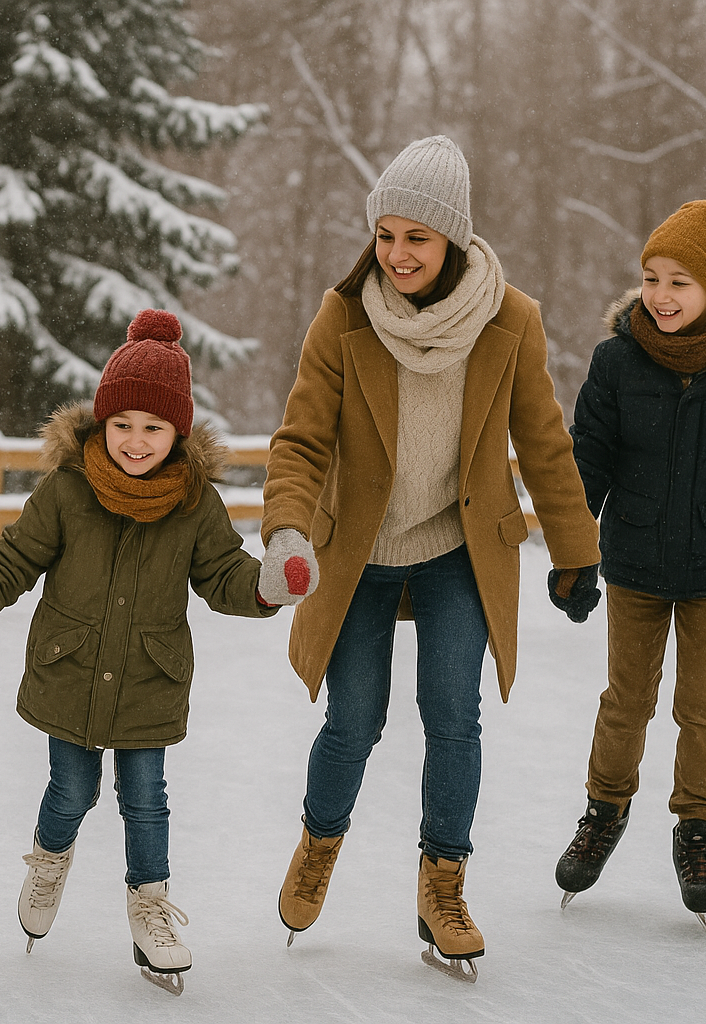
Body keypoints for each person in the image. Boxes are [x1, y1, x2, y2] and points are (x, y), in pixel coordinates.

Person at [260, 136, 601, 979]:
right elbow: (301, 442)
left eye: (417, 237)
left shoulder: (508, 319)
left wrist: (574, 549)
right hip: (362, 551)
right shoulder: (344, 317)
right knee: (355, 719)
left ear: (452, 238)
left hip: (457, 547)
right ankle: (319, 841)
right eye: (385, 235)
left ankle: (442, 883)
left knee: (454, 717)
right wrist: (287, 530)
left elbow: (545, 442)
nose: (397, 254)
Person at [0, 309, 283, 994]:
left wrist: (267, 586)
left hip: (150, 677)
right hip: (71, 671)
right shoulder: (67, 490)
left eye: (153, 428)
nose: (135, 440)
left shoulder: (194, 502)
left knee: (146, 800)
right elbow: (15, 558)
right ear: (100, 423)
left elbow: (223, 575)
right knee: (72, 790)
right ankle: (49, 861)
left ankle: (150, 908)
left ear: (177, 433)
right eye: (121, 424)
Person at [554, 200, 706, 929]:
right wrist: (574, 555)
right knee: (625, 698)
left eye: (680, 283)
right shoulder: (617, 359)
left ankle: (698, 833)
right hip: (631, 557)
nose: (661, 296)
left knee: (702, 705)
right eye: (653, 278)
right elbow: (588, 457)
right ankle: (604, 811)